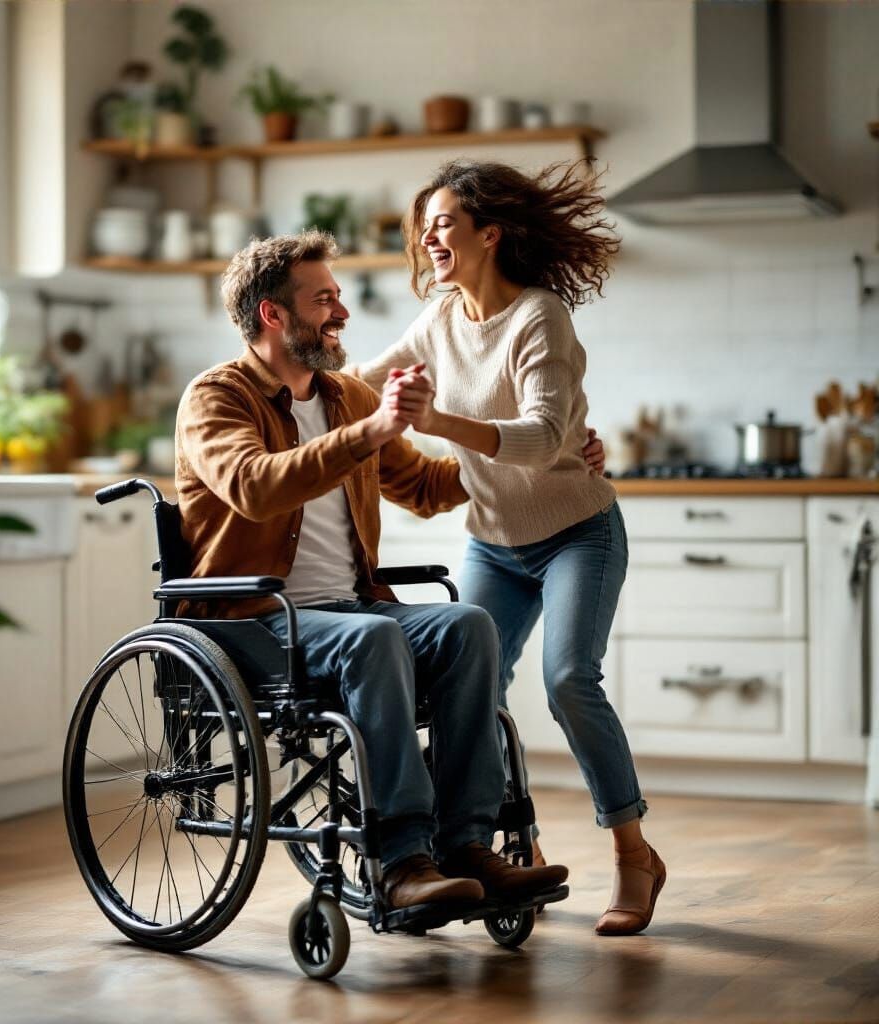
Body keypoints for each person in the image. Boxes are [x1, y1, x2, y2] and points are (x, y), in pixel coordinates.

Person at [173, 229, 569, 913]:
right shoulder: (217, 398)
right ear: (274, 314)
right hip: (249, 621)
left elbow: (423, 486)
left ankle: (467, 847)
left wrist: (535, 459)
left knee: (467, 627)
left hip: (350, 611)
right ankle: (400, 862)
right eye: (324, 299)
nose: (342, 312)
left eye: (338, 297)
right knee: (374, 640)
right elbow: (254, 486)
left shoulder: (347, 397)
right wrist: (371, 431)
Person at [353, 160, 666, 936]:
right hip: (493, 544)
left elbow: (544, 436)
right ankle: (485, 851)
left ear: (488, 234)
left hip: (576, 535)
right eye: (423, 224)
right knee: (468, 689)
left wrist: (440, 425)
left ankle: (634, 854)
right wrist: (276, 381)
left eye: (444, 222)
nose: (429, 236)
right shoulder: (438, 322)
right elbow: (358, 384)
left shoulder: (539, 317)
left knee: (568, 680)